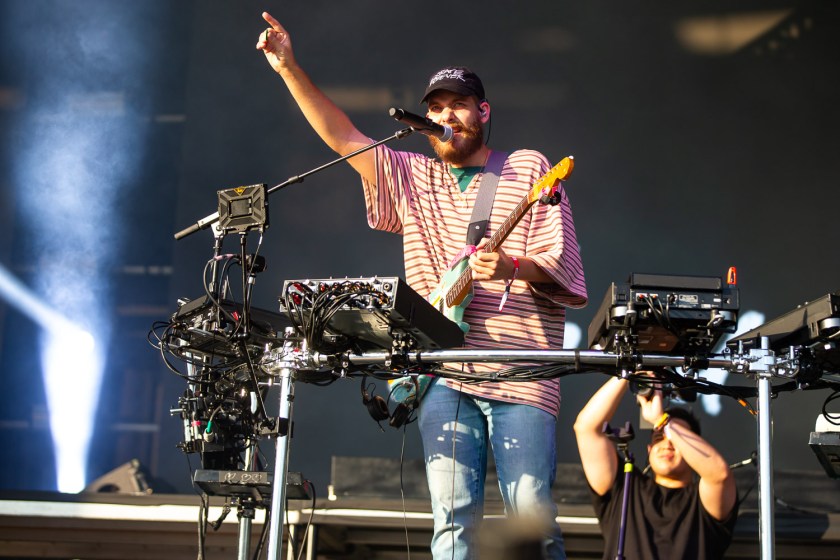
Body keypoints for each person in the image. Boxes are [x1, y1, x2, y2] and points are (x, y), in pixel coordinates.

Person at [257, 11, 587, 559]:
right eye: (435, 107)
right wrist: (288, 67)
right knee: (451, 526)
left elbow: (563, 264)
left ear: (482, 112)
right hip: (444, 371)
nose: (444, 114)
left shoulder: (528, 167)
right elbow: (344, 137)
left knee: (534, 519)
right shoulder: (413, 175)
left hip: (521, 368)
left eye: (456, 104)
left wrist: (511, 267)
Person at [573, 375, 739, 559]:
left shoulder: (702, 503)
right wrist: (628, 372)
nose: (667, 445)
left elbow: (719, 474)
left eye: (675, 440)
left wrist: (662, 421)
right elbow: (587, 428)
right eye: (659, 438)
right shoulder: (625, 487)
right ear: (649, 449)